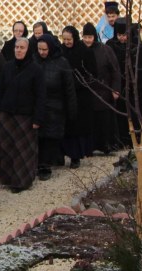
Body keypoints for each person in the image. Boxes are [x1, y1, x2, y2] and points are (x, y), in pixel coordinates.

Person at [0, 38, 46, 191]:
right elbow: (0, 89)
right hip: (7, 114)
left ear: (28, 49)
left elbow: (41, 96)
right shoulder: (7, 67)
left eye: (22, 47)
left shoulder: (36, 70)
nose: (18, 50)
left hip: (26, 115)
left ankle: (21, 181)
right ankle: (7, 179)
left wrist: (38, 118)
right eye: (16, 47)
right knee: (6, 148)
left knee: (22, 151)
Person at [106, 19, 142, 148]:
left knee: (139, 114)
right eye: (119, 35)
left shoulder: (139, 48)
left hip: (137, 88)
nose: (122, 38)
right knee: (121, 116)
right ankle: (123, 141)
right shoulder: (111, 46)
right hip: (119, 87)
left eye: (124, 35)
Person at [35, 34, 77, 180]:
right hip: (38, 106)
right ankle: (40, 164)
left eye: (44, 49)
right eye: (39, 49)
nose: (42, 52)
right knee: (39, 137)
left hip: (55, 107)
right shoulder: (34, 61)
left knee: (50, 138)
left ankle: (45, 166)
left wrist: (71, 109)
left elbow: (69, 89)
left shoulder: (62, 63)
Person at [81, 23, 121, 154]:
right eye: (85, 37)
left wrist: (115, 89)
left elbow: (115, 71)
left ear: (95, 37)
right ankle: (89, 148)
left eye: (90, 37)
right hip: (87, 93)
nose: (87, 40)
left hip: (104, 91)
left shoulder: (105, 50)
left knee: (105, 122)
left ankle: (107, 146)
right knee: (89, 122)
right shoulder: (80, 50)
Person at [60, 26, 94, 167]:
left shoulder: (84, 51)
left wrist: (77, 83)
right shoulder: (60, 51)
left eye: (69, 39)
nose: (67, 42)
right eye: (64, 39)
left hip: (81, 95)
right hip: (64, 95)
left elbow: (92, 74)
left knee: (77, 127)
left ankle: (76, 156)